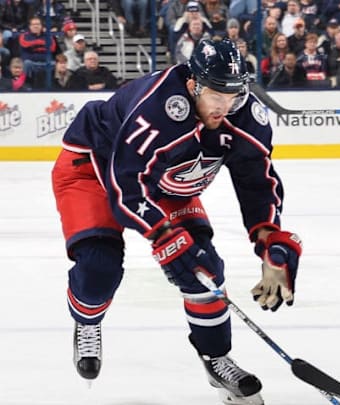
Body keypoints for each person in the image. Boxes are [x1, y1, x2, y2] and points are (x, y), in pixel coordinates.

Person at [51, 39, 303, 405]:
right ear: (192, 84)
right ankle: (87, 322)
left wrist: (269, 238)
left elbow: (256, 180)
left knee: (202, 266)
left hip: (168, 176)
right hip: (92, 166)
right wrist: (163, 234)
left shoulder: (245, 113)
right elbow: (127, 185)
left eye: (233, 94)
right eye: (216, 94)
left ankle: (215, 358)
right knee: (98, 267)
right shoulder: (156, 109)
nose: (225, 106)